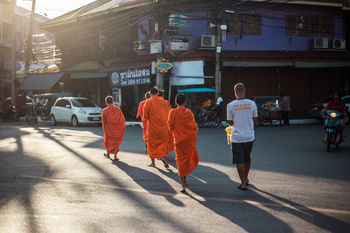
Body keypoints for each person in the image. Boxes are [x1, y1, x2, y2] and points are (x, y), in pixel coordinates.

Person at [227, 83, 258, 191]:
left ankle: (243, 183)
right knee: (247, 158)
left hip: (237, 137)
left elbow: (230, 122)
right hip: (249, 136)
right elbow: (255, 119)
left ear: (235, 92)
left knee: (239, 160)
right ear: (245, 91)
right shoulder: (252, 104)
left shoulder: (230, 105)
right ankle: (246, 178)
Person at [168, 93, 199, 192]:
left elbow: (170, 126)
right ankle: (184, 178)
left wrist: (175, 132)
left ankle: (183, 184)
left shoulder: (172, 112)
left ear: (176, 102)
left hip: (179, 141)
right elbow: (194, 127)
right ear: (185, 102)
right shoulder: (189, 113)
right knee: (187, 161)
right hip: (188, 141)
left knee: (180, 162)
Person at [143, 87, 173, 168]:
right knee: (162, 144)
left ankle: (153, 163)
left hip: (153, 128)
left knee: (152, 145)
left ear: (150, 94)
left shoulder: (148, 102)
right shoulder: (165, 102)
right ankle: (162, 157)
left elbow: (145, 116)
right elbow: (170, 114)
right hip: (164, 128)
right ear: (158, 93)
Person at [102, 96, 126, 161]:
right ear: (113, 101)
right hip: (117, 128)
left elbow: (103, 121)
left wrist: (104, 126)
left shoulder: (104, 110)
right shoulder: (118, 109)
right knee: (116, 142)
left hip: (109, 129)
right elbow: (122, 119)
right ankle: (115, 156)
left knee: (108, 141)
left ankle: (108, 154)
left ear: (106, 102)